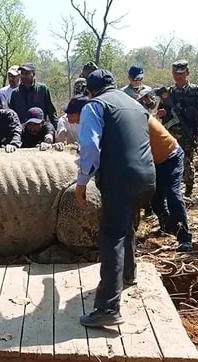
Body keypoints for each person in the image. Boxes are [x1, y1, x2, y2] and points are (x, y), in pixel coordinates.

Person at [75, 69, 156, 327]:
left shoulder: (95, 106)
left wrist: (81, 182)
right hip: (147, 176)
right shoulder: (135, 105)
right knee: (126, 225)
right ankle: (129, 275)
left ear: (90, 90)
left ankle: (108, 309)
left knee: (112, 236)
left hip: (120, 178)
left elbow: (89, 147)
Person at [157, 60, 198, 197]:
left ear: (187, 73)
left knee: (187, 161)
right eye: (175, 73)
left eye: (181, 73)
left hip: (188, 132)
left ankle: (189, 188)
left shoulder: (195, 91)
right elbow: (161, 111)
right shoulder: (168, 93)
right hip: (170, 133)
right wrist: (162, 113)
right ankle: (172, 187)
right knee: (169, 160)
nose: (178, 76)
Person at [147, 115, 193, 252]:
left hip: (171, 156)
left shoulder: (137, 119)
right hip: (155, 161)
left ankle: (184, 238)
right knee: (155, 197)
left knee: (173, 193)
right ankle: (167, 226)